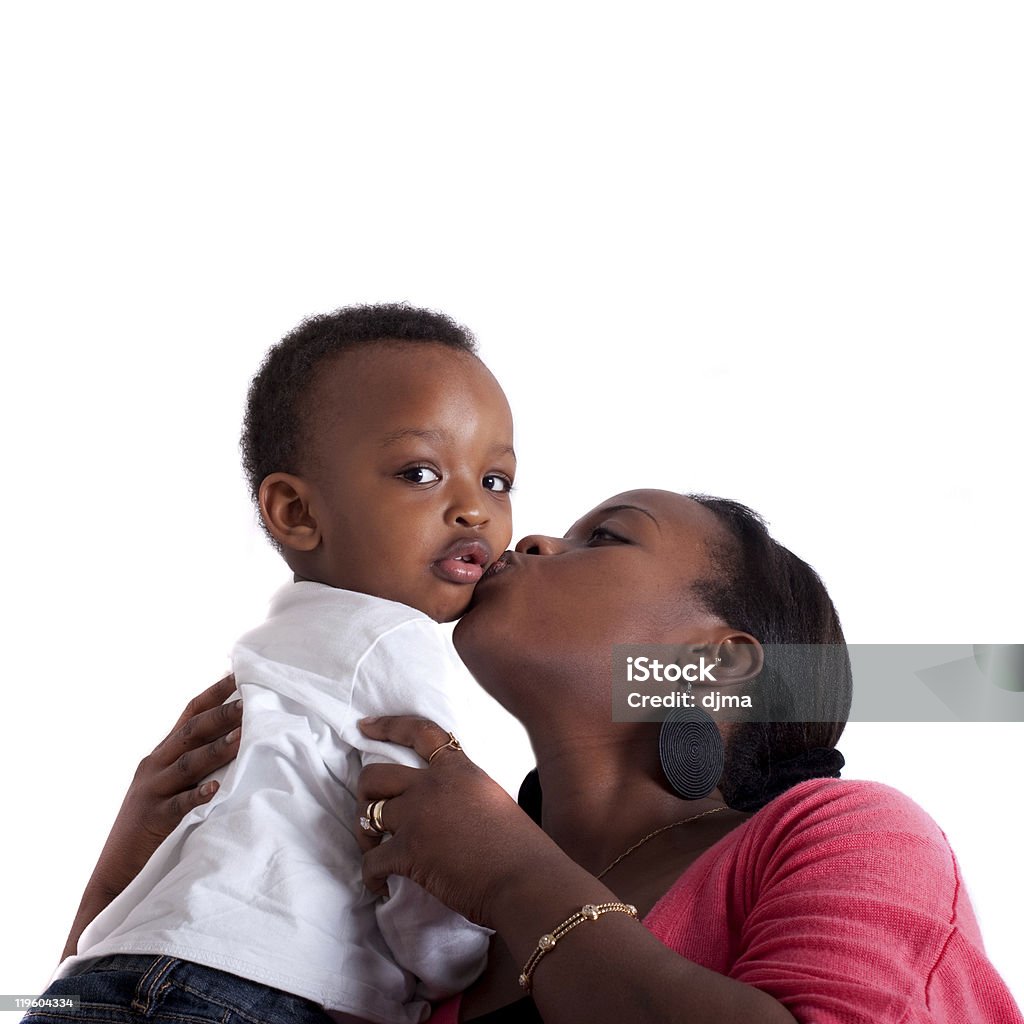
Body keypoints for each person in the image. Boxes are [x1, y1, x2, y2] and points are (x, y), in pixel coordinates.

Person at [38, 490, 1022, 1024]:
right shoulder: (430, 928)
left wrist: (516, 877)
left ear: (708, 664)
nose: (539, 534)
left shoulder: (848, 833)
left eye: (608, 535)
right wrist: (130, 877)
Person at [44, 304, 517, 1024]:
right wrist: (454, 959)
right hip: (244, 988)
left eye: (496, 481)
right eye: (421, 472)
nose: (475, 511)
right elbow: (429, 855)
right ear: (295, 511)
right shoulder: (391, 641)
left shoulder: (279, 646)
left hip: (103, 976)